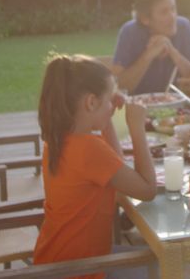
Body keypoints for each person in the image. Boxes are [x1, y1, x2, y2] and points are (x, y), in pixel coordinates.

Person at [33, 54, 156, 279]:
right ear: (91, 102)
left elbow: (116, 168)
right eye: (109, 98)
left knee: (153, 259)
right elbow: (147, 190)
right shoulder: (89, 149)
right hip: (79, 271)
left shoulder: (63, 139)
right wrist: (138, 128)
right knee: (162, 262)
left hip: (55, 262)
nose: (113, 104)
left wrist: (106, 116)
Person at [112, 0, 190, 95]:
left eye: (173, 9)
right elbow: (119, 86)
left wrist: (173, 52)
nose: (172, 16)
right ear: (145, 19)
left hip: (181, 107)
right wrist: (149, 55)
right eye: (164, 12)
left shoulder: (184, 27)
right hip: (139, 108)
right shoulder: (130, 32)